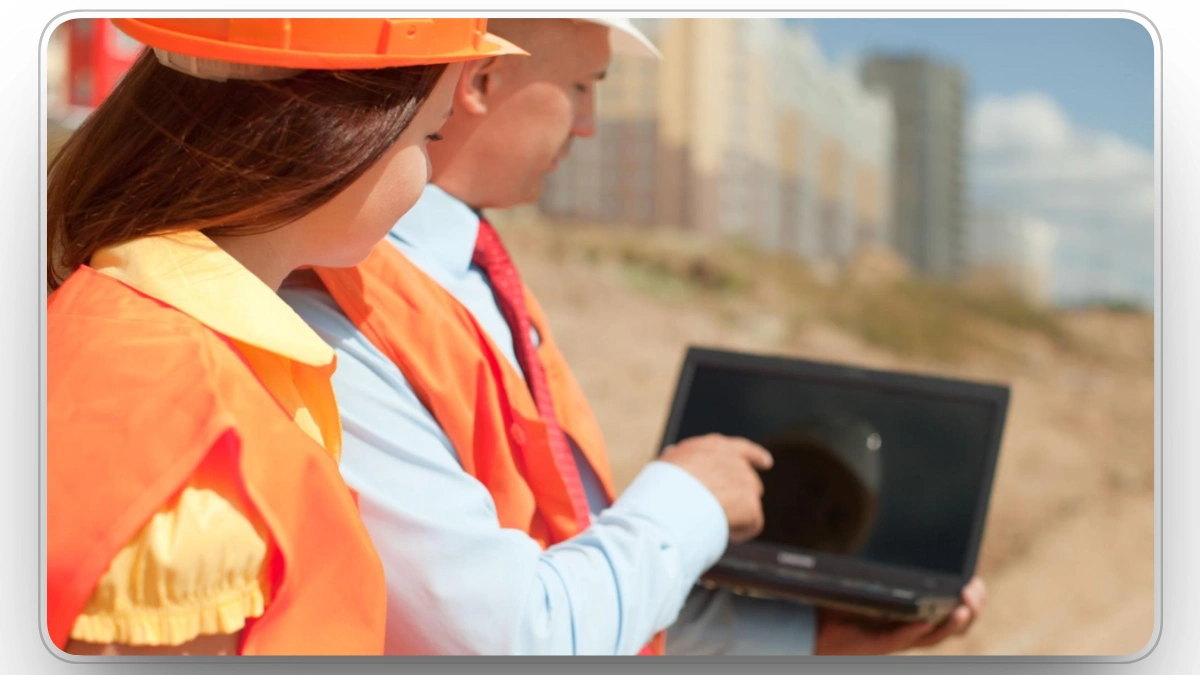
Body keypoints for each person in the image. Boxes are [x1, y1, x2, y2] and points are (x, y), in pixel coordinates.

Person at [281, 17, 985, 656]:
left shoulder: (477, 279)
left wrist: (818, 634)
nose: (588, 125)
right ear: (482, 80)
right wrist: (690, 498)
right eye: (582, 87)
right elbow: (520, 638)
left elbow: (579, 572)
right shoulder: (327, 307)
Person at [46, 17, 526, 657]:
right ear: (336, 132)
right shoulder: (200, 453)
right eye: (429, 134)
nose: (428, 169)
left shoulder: (127, 327)